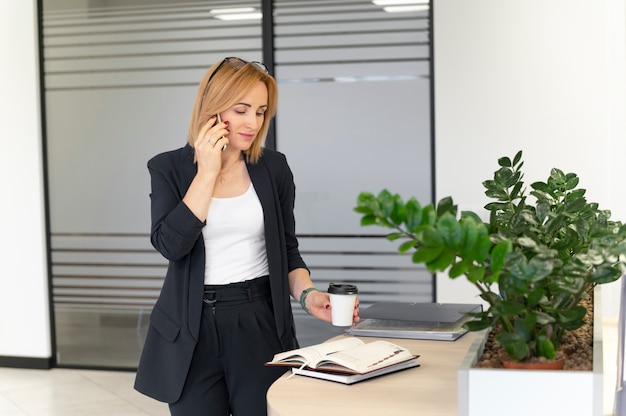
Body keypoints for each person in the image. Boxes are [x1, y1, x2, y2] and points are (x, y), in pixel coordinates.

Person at [134, 57, 360, 416]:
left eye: (260, 111)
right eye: (241, 110)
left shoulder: (273, 168)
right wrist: (207, 172)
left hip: (257, 320)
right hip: (189, 330)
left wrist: (308, 295)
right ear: (212, 108)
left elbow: (287, 250)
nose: (252, 123)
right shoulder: (167, 168)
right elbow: (171, 246)